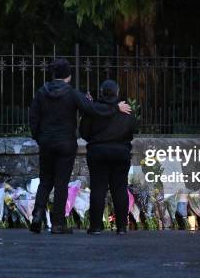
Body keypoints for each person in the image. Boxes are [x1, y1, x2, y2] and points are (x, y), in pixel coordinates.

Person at [28, 59, 132, 234]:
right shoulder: (72, 93)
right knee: (61, 182)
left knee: (45, 179)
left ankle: (38, 212)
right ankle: (58, 224)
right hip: (66, 143)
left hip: (46, 142)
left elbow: (33, 118)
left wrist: (39, 137)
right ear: (68, 76)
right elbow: (93, 110)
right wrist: (115, 108)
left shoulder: (41, 93)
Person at [79, 80, 137, 235]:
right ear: (117, 92)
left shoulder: (94, 110)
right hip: (121, 152)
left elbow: (84, 132)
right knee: (120, 189)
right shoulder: (125, 109)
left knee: (98, 188)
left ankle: (96, 226)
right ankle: (122, 227)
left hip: (98, 152)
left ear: (101, 92)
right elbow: (133, 129)